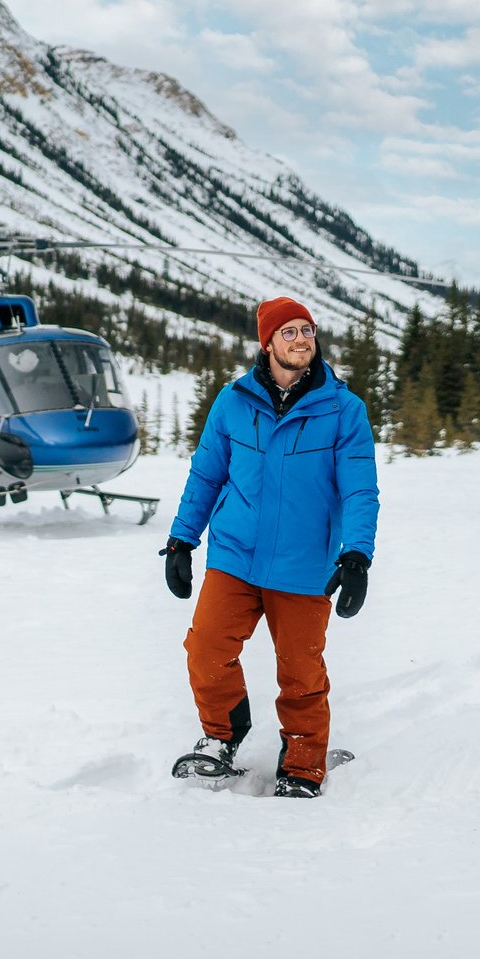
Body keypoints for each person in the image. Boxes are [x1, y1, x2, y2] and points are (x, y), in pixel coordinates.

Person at [162, 296, 379, 797]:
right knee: (206, 650)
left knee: (300, 670)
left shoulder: (343, 409)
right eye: (290, 332)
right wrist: (181, 539)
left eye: (308, 330)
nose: (302, 339)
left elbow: (359, 488)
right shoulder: (233, 401)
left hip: (305, 564)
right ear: (268, 343)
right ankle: (220, 738)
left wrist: (357, 555)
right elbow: (207, 473)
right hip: (235, 554)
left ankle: (303, 760)